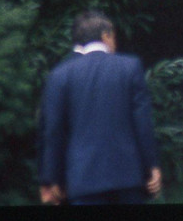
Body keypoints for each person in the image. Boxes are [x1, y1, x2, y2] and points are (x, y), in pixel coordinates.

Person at [38, 11, 162, 205]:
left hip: (82, 180)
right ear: (106, 36)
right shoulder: (130, 67)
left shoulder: (60, 75)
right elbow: (142, 124)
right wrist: (151, 166)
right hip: (127, 178)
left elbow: (54, 131)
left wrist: (52, 179)